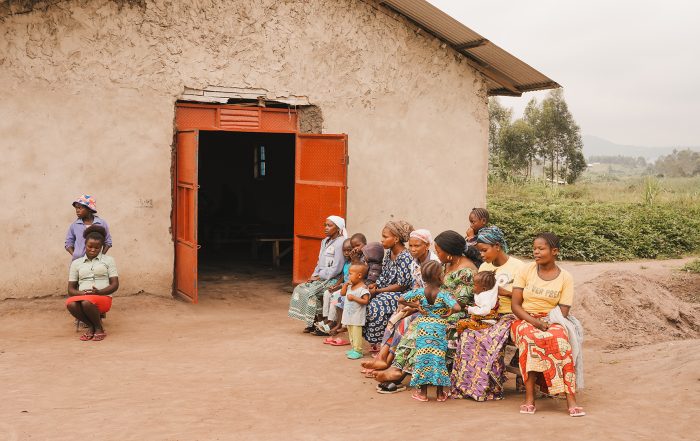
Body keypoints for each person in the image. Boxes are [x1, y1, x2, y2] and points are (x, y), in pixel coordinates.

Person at [511, 232, 585, 417]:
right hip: (524, 318)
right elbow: (515, 305)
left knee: (561, 341)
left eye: (541, 249)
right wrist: (535, 322)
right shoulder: (525, 271)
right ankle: (530, 398)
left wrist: (546, 323)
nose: (536, 252)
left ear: (554, 251)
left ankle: (570, 398)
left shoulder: (565, 277)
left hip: (553, 318)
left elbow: (564, 311)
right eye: (534, 248)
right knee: (531, 340)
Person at [451, 225, 526, 401]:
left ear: (497, 246)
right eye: (480, 251)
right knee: (468, 334)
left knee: (487, 338)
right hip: (487, 314)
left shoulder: (519, 267)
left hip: (510, 314)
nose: (481, 255)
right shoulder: (485, 266)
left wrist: (504, 292)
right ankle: (469, 386)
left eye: (484, 250)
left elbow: (527, 296)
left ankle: (489, 386)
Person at [362, 229, 438, 375]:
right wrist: (407, 302)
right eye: (411, 246)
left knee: (403, 323)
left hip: (428, 306)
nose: (413, 249)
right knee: (395, 318)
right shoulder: (415, 262)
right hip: (417, 302)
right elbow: (416, 287)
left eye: (417, 246)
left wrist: (414, 306)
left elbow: (433, 293)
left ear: (427, 245)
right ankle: (381, 357)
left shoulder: (433, 264)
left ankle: (389, 362)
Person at [400, 260, 461, 402]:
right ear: (439, 276)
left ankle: (423, 394)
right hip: (439, 329)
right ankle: (440, 394)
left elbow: (401, 299)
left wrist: (416, 306)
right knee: (438, 359)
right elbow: (457, 307)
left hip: (423, 329)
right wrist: (450, 311)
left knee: (422, 359)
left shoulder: (420, 292)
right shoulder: (443, 294)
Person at [288, 216, 347, 332]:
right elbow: (319, 262)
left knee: (310, 293)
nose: (326, 228)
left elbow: (337, 268)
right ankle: (312, 321)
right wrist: (314, 276)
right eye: (325, 225)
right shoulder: (324, 241)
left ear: (338, 228)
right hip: (320, 278)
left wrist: (320, 276)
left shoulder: (341, 243)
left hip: (333, 279)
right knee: (299, 288)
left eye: (330, 226)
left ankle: (318, 322)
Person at [364, 221, 415, 349]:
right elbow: (383, 275)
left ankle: (380, 343)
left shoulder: (405, 256)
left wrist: (378, 291)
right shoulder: (389, 254)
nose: (382, 240)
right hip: (387, 290)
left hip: (403, 294)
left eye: (385, 237)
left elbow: (402, 285)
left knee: (377, 304)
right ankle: (370, 340)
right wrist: (375, 285)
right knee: (363, 297)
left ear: (396, 239)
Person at [65, 225, 119, 341]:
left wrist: (99, 292)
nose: (93, 250)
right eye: (90, 246)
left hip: (103, 297)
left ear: (101, 247)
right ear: (85, 244)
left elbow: (115, 284)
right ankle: (92, 326)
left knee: (86, 303)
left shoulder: (109, 260)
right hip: (83, 297)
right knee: (71, 304)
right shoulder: (76, 263)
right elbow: (70, 289)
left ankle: (98, 328)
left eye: (97, 247)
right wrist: (83, 293)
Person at [317, 239, 353, 335]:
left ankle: (334, 321)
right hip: (343, 286)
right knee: (327, 293)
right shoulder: (346, 263)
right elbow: (342, 277)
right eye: (344, 250)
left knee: (335, 296)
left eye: (349, 250)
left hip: (348, 287)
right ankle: (327, 318)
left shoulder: (354, 264)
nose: (346, 253)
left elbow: (350, 281)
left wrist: (338, 287)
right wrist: (335, 285)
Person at [65, 195, 112, 260]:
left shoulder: (101, 223)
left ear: (89, 209)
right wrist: (75, 256)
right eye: (76, 208)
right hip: (79, 262)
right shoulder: (75, 225)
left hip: (96, 262)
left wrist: (101, 256)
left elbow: (108, 242)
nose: (77, 211)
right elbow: (68, 243)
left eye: (80, 208)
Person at [341, 262, 371, 360]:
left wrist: (354, 298)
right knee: (351, 333)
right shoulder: (350, 286)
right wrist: (345, 285)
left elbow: (366, 301)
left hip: (357, 317)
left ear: (359, 275)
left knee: (356, 334)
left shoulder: (362, 289)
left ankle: (358, 350)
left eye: (350, 274)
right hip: (349, 315)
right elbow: (342, 294)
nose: (348, 276)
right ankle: (353, 348)